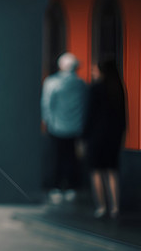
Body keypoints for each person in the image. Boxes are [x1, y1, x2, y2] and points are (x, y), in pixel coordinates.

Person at [40, 52, 87, 204]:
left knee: (57, 157)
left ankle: (56, 187)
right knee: (71, 157)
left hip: (56, 126)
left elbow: (46, 103)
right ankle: (71, 186)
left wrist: (47, 121)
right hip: (75, 127)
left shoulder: (52, 82)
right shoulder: (81, 84)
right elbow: (85, 106)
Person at [82, 59, 126, 219]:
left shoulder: (95, 89)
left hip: (96, 137)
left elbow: (89, 116)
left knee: (96, 171)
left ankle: (101, 207)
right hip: (114, 137)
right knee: (112, 171)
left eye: (95, 70)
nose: (93, 73)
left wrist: (84, 136)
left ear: (102, 71)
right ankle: (115, 208)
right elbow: (123, 118)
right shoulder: (119, 89)